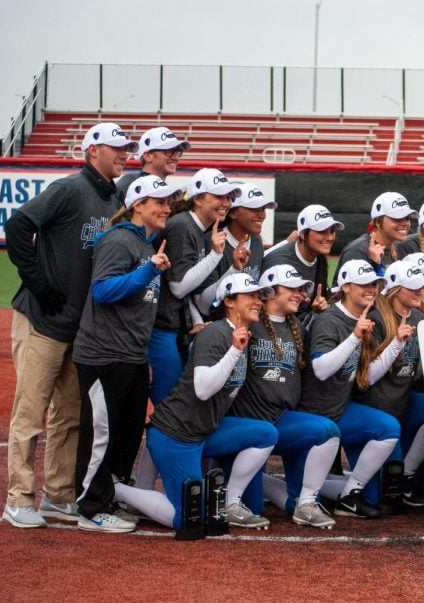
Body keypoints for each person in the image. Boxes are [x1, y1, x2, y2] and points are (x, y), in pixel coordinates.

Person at [2, 122, 137, 529]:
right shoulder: (67, 188)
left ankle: (58, 495)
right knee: (30, 413)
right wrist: (38, 283)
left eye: (126, 148)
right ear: (92, 150)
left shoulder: (114, 195)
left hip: (79, 326)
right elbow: (17, 226)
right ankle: (18, 498)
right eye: (116, 148)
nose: (124, 154)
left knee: (70, 415)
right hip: (42, 319)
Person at [113, 273, 279, 530]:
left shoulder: (240, 333)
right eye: (251, 295)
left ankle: (230, 502)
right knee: (189, 518)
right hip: (175, 434)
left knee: (265, 433)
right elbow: (202, 389)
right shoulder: (217, 334)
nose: (258, 301)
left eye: (259, 296)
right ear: (229, 301)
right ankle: (115, 489)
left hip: (204, 431)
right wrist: (234, 351)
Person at [70, 176, 176, 533]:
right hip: (103, 355)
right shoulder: (120, 240)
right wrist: (148, 270)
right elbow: (101, 291)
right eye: (159, 203)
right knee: (101, 433)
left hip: (130, 356)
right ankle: (89, 506)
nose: (166, 209)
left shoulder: (147, 244)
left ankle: (109, 497)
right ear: (138, 206)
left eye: (168, 203)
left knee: (125, 434)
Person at [136, 168, 241, 491]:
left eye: (228, 197)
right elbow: (179, 287)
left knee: (172, 412)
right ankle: (140, 488)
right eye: (219, 196)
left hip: (175, 328)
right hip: (161, 330)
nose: (225, 203)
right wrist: (216, 256)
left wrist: (230, 270)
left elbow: (195, 296)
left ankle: (143, 486)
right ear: (198, 198)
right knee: (171, 415)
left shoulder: (199, 228)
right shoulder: (184, 226)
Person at [228, 265, 340, 529]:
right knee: (252, 507)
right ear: (269, 292)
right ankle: (249, 479)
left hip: (280, 420)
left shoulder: (297, 327)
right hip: (249, 425)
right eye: (291, 288)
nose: (300, 294)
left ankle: (306, 504)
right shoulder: (249, 323)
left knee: (327, 430)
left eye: (302, 289)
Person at [299, 260, 401, 518]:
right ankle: (268, 484)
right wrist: (354, 337)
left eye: (375, 284)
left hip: (340, 411)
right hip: (314, 413)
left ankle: (350, 494)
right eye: (364, 284)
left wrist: (397, 343)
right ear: (345, 287)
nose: (371, 289)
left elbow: (365, 377)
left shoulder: (365, 319)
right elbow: (321, 370)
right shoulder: (329, 320)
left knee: (389, 428)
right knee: (294, 497)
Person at [355, 260, 424, 508]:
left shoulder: (417, 316)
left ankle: (407, 474)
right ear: (394, 289)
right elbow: (367, 378)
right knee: (380, 498)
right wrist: (396, 344)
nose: (419, 292)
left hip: (402, 401)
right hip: (375, 406)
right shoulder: (376, 318)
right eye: (412, 287)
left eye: (421, 286)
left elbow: (417, 373)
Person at [193, 182, 277, 316]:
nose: (262, 215)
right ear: (232, 213)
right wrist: (234, 269)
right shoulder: (212, 241)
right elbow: (202, 305)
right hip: (215, 325)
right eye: (254, 209)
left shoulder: (256, 241)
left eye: (263, 209)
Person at [262, 203, 343, 324]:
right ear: (302, 233)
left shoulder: (320, 258)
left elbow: (319, 303)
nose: (330, 237)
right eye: (322, 231)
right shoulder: (278, 263)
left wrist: (318, 307)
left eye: (332, 231)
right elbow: (269, 312)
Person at [332, 191, 417, 284]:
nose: (405, 223)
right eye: (397, 218)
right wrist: (374, 264)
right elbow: (351, 294)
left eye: (407, 217)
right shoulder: (358, 251)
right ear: (377, 221)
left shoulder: (398, 247)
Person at [115, 126, 190, 202]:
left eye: (178, 152)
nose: (176, 157)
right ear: (148, 156)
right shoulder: (131, 182)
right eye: (169, 151)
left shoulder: (164, 189)